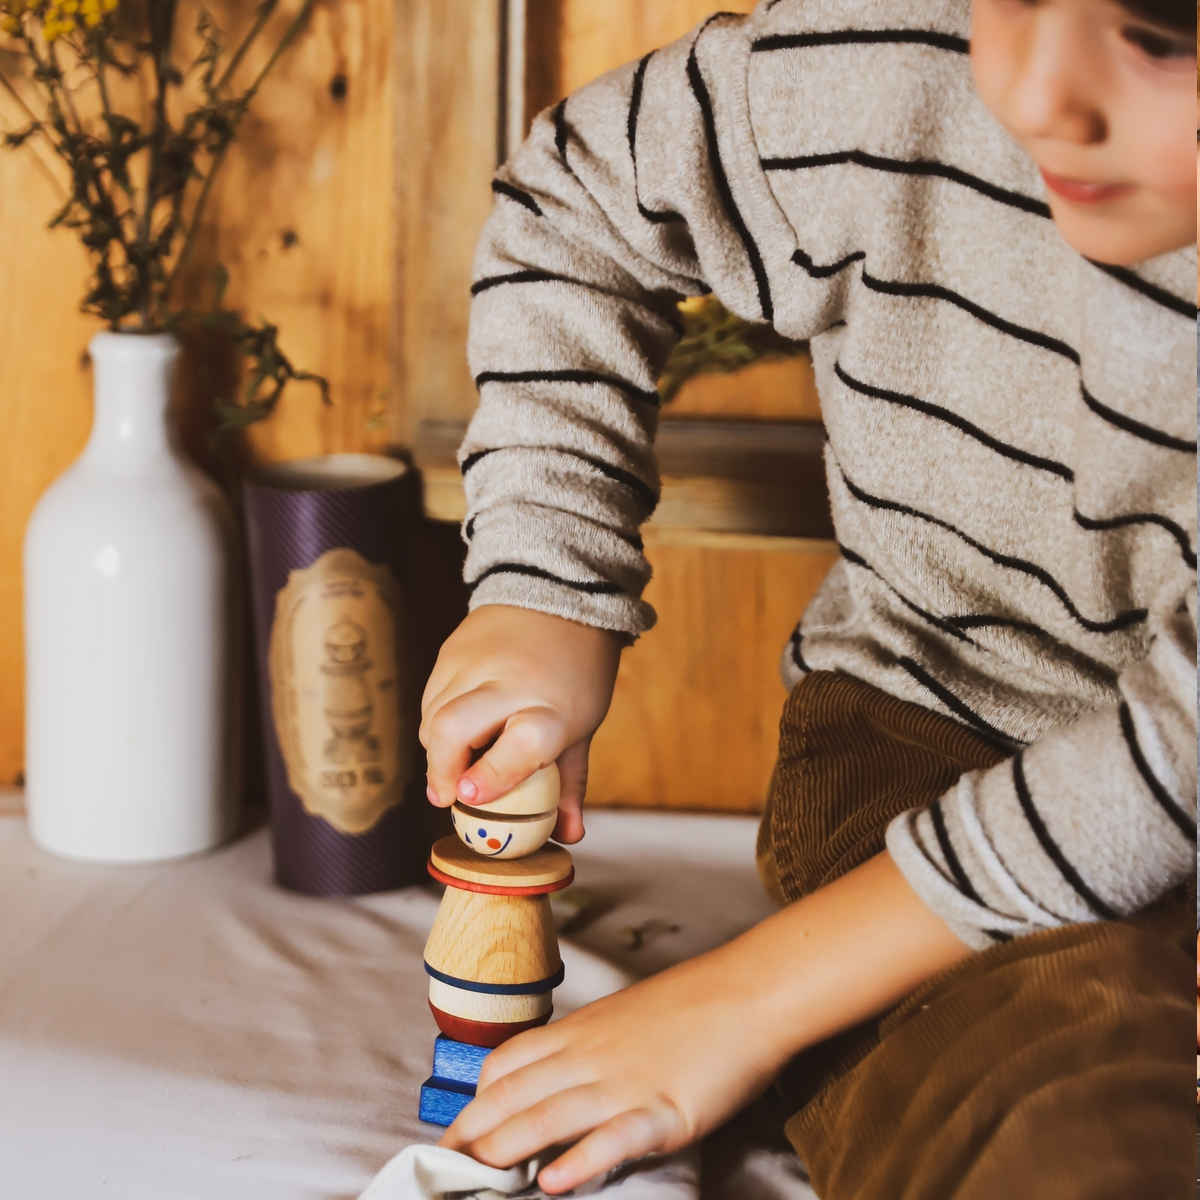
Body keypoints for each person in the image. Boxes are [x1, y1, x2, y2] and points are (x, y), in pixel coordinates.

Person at [418, 0, 1198, 1194]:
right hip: (935, 742)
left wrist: (743, 1000)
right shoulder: (892, 52)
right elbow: (577, 201)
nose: (1039, 93)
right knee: (1070, 1115)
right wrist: (545, 580)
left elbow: (1169, 762)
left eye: (1162, 32)